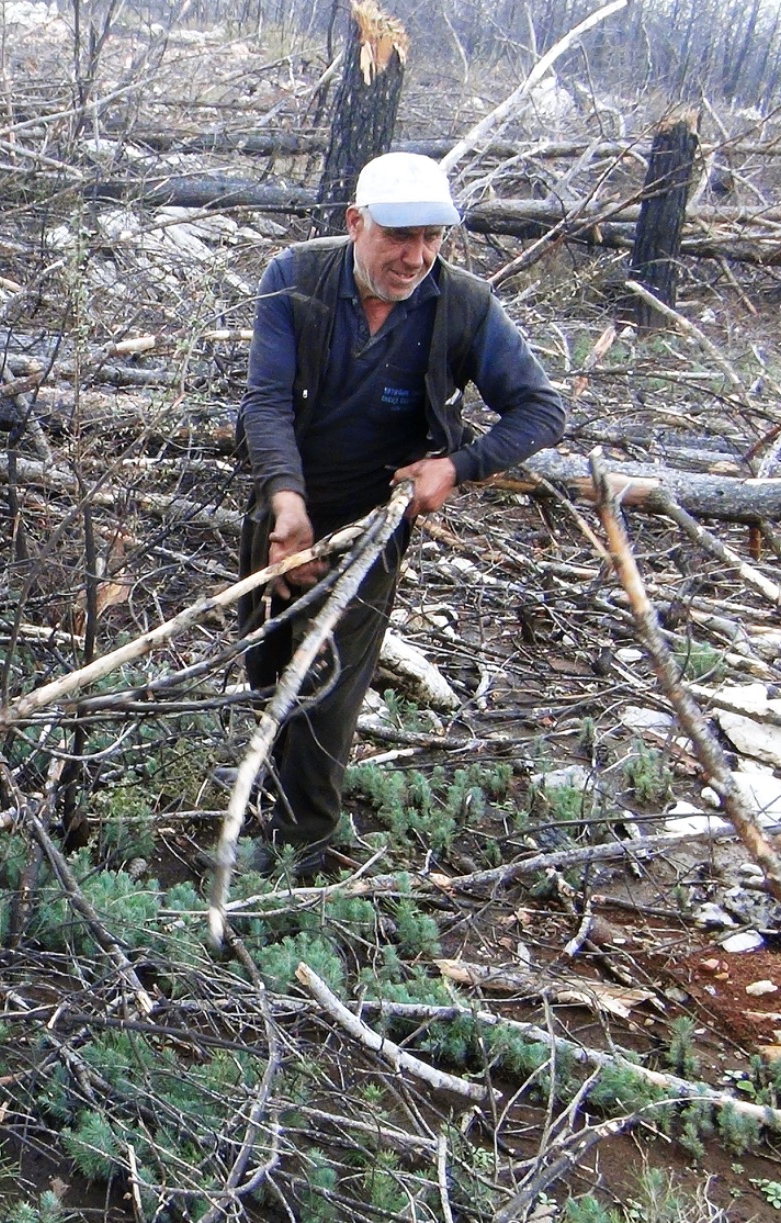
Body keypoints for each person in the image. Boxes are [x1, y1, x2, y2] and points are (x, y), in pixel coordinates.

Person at [233, 151, 567, 877]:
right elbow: (264, 400)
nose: (416, 257)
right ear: (357, 222)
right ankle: (259, 788)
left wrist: (458, 465)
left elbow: (542, 409)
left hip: (376, 521)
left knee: (329, 681)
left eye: (432, 239)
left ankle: (301, 851)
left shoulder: (465, 306)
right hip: (284, 496)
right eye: (399, 236)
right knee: (265, 657)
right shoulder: (294, 276)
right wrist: (286, 505)